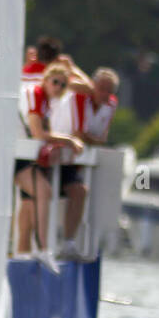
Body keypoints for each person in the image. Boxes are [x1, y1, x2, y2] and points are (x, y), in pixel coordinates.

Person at [15, 63, 86, 257]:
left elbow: (42, 134)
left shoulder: (45, 102)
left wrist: (57, 144)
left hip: (23, 155)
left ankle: (25, 255)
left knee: (32, 201)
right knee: (42, 193)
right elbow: (39, 134)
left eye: (63, 85)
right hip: (15, 154)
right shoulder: (36, 94)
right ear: (45, 80)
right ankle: (43, 249)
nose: (59, 88)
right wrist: (69, 140)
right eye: (55, 82)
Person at [51, 64, 119, 260]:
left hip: (72, 158)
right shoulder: (80, 97)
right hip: (56, 154)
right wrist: (89, 138)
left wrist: (87, 138)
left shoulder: (111, 104)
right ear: (92, 86)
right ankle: (46, 244)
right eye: (101, 88)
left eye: (109, 91)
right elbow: (79, 134)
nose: (105, 94)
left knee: (80, 191)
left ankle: (69, 243)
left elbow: (101, 138)